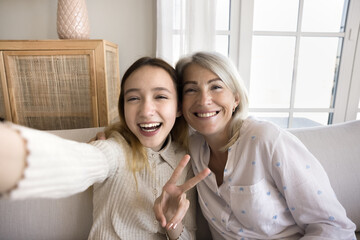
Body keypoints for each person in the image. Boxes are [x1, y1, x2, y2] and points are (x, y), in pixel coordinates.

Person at [0, 57, 209, 240]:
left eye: (160, 96)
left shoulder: (184, 161)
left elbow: (186, 236)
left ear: (179, 107)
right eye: (133, 98)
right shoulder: (115, 147)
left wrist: (173, 222)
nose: (146, 111)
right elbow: (82, 161)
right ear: (123, 107)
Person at [153, 51, 356, 239]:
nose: (204, 99)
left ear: (236, 98)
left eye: (216, 86)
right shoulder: (192, 149)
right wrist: (170, 221)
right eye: (191, 89)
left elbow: (333, 226)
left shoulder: (265, 139)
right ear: (181, 104)